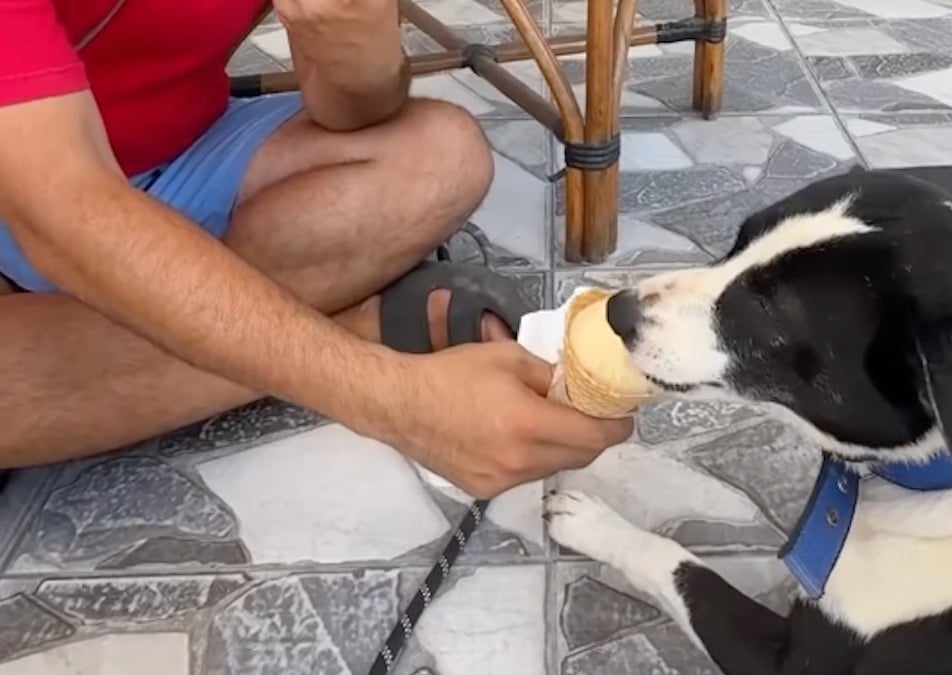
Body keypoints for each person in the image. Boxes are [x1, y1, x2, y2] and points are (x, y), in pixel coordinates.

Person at [0, 0, 632, 499]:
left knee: (437, 158)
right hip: (42, 185)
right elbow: (63, 213)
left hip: (180, 154)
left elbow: (354, 113)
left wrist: (357, 40)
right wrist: (393, 400)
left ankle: (84, 373)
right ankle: (355, 329)